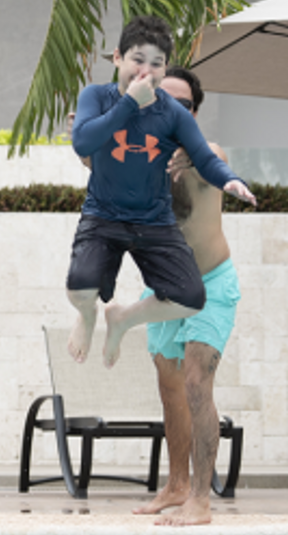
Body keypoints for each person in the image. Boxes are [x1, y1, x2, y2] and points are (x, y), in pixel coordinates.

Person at [66, 15, 255, 369]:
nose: (146, 71)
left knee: (190, 297)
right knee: (78, 289)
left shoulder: (172, 115)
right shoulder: (96, 96)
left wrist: (228, 179)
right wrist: (129, 103)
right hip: (103, 216)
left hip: (153, 222)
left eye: (156, 64)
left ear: (164, 68)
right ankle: (87, 314)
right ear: (118, 57)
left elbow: (205, 156)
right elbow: (83, 142)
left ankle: (122, 318)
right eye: (138, 60)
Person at [127, 67, 240, 526]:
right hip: (165, 287)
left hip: (211, 284)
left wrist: (188, 153)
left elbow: (212, 158)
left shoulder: (205, 153)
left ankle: (200, 499)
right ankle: (175, 485)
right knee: (170, 387)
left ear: (193, 112)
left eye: (184, 105)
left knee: (196, 382)